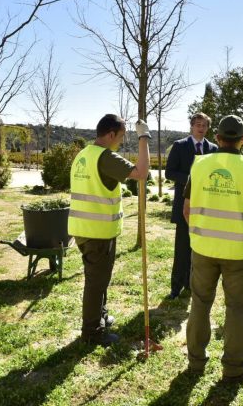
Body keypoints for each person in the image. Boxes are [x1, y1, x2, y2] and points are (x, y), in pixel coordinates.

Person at [183, 114, 243, 381]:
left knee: (199, 303)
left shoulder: (199, 165)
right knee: (236, 308)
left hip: (203, 250)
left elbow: (186, 210)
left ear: (216, 138)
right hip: (239, 253)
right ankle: (233, 368)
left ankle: (196, 363)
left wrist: (201, 233)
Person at [68, 114, 151, 346]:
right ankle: (92, 331)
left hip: (82, 228)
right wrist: (144, 137)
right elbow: (141, 173)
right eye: (122, 136)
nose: (122, 142)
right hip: (97, 232)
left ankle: (100, 317)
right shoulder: (105, 157)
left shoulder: (84, 155)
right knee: (96, 283)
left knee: (99, 279)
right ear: (111, 134)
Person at [164, 112, 218, 299]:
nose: (201, 128)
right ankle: (176, 286)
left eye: (204, 125)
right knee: (182, 249)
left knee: (201, 250)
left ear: (207, 128)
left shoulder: (213, 149)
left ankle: (191, 284)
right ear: (191, 126)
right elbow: (169, 172)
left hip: (206, 207)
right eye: (198, 125)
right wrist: (191, 180)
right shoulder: (180, 146)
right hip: (184, 205)